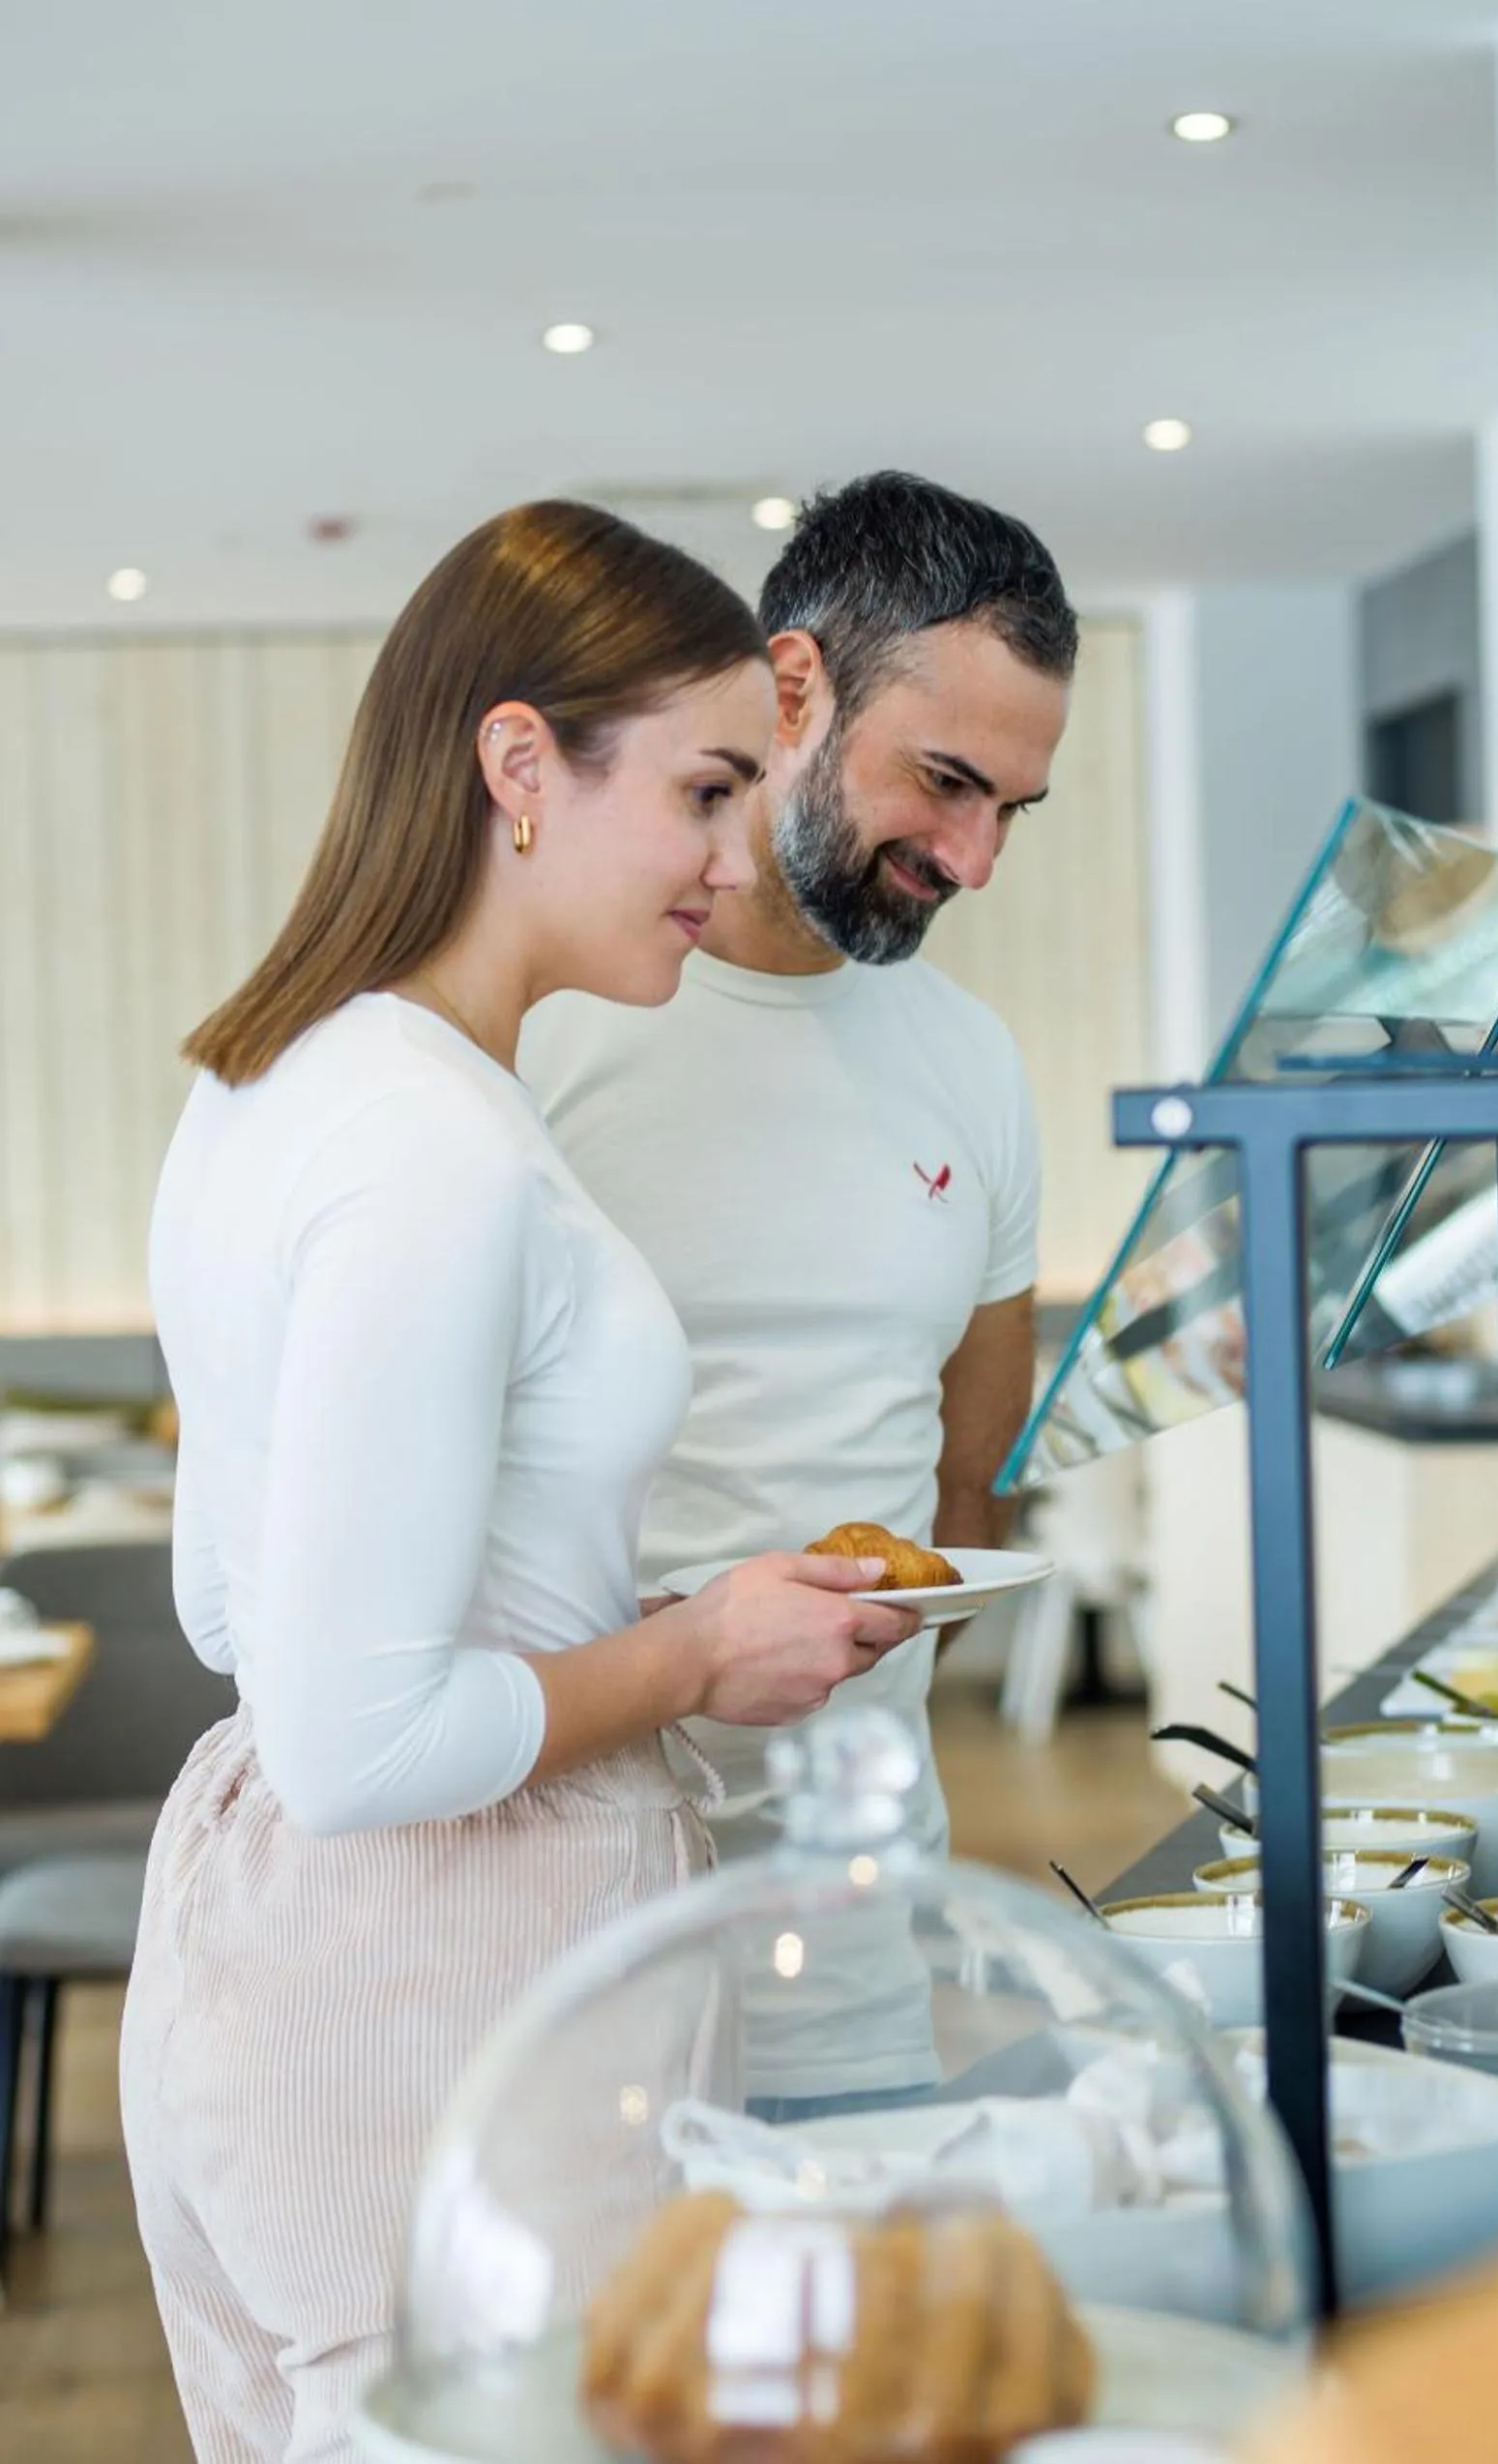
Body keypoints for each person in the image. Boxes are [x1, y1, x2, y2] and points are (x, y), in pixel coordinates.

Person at [123, 501, 920, 2464]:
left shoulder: (275, 1078)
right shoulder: (434, 1150)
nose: (744, 865)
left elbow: (241, 1623)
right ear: (516, 765)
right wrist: (699, 1651)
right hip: (439, 1963)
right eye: (710, 789)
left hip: (261, 1933)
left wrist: (607, 1624)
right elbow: (358, 1732)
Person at [519, 471, 1076, 2115]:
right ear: (790, 690)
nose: (973, 859)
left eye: (1012, 814)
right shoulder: (546, 1028)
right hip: (568, 1961)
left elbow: (966, 1486)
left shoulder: (972, 1066)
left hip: (854, 1958)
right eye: (946, 782)